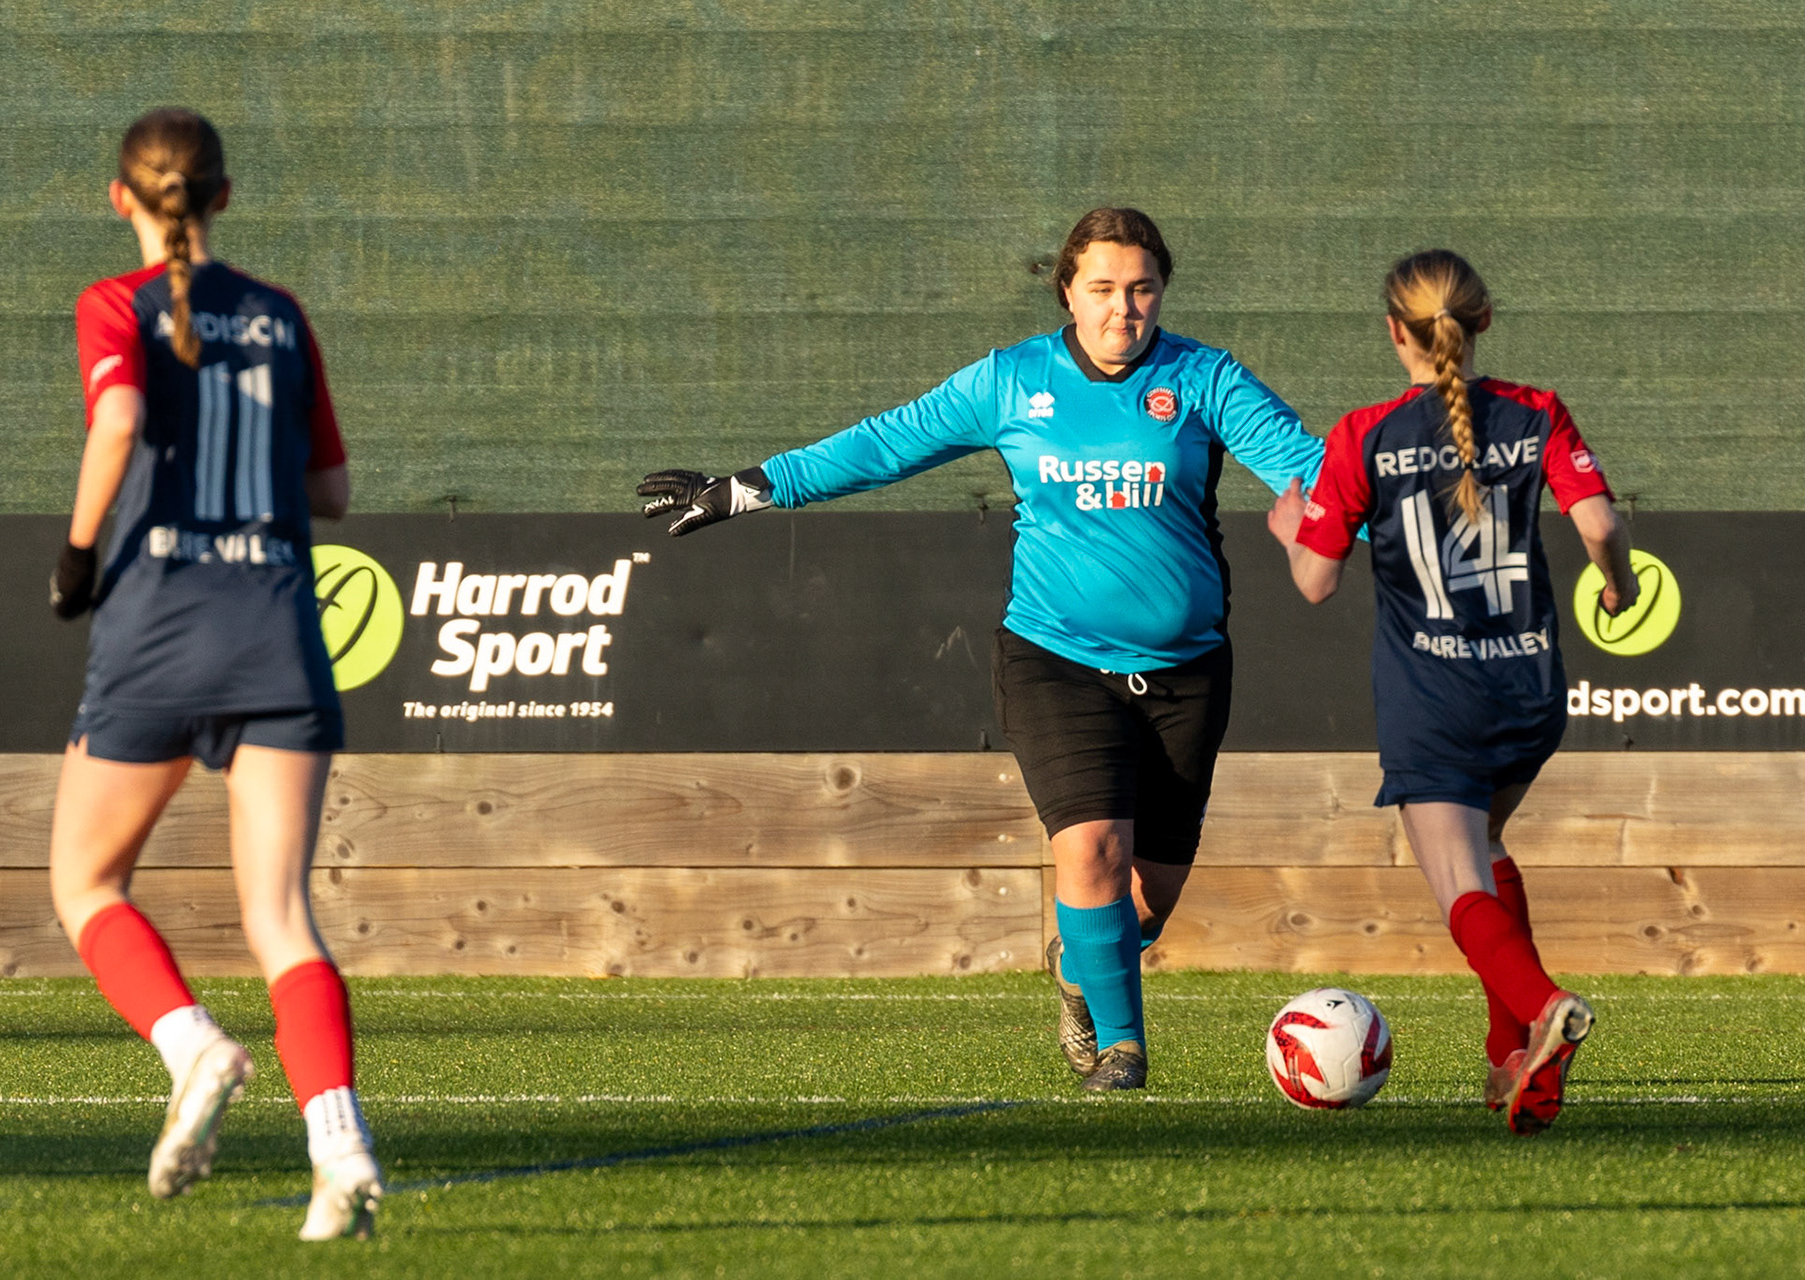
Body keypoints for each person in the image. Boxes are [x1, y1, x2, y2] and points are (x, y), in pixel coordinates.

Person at [639, 207, 1325, 1091]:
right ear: (1068, 292)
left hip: (1186, 672)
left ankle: (1079, 969)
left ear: (1163, 293)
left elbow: (1308, 467)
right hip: (1056, 660)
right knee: (1091, 851)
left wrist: (1384, 501)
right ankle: (1121, 1053)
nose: (1123, 309)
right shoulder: (1012, 381)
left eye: (1142, 289)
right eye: (1103, 289)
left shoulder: (1204, 378)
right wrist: (751, 487)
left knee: (1147, 902)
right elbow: (888, 442)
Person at [46, 108, 382, 1236]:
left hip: (156, 627)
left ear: (121, 198)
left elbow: (118, 419)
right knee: (282, 916)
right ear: (224, 197)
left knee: (86, 883)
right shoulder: (281, 314)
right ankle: (340, 1148)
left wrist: (78, 555)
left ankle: (193, 1045)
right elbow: (333, 494)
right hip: (278, 631)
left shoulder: (116, 304)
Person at [1267, 248, 1637, 1134]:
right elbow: (1599, 523)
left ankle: (1544, 1007)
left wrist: (1289, 531)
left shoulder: (1366, 435)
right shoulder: (1537, 412)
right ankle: (1515, 1061)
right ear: (1482, 323)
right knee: (1491, 844)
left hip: (1435, 696)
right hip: (1530, 687)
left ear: (1394, 331)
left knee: (1458, 879)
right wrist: (1617, 584)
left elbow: (1315, 581)